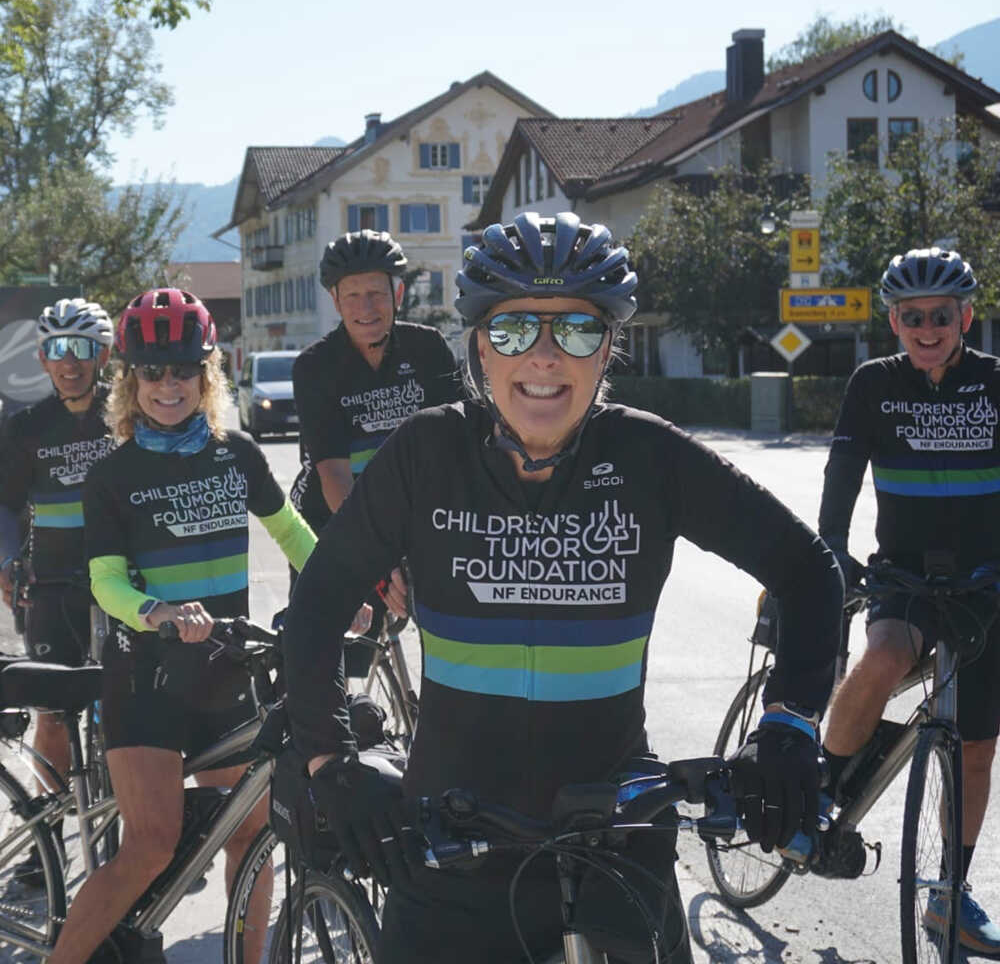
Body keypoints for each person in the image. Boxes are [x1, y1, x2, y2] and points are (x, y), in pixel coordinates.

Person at [282, 212, 844, 964]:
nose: (544, 357)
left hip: (618, 837)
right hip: (450, 845)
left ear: (609, 346)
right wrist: (329, 760)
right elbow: (318, 601)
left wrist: (790, 726)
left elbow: (808, 572)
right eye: (515, 332)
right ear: (479, 346)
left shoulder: (649, 455)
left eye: (576, 332)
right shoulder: (427, 453)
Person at [46, 289, 318, 964]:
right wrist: (156, 611)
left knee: (251, 839)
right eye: (152, 371)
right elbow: (105, 580)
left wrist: (347, 589)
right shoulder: (114, 473)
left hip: (229, 673)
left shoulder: (239, 454)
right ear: (130, 380)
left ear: (207, 375)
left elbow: (294, 534)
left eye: (183, 370)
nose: (169, 385)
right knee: (153, 844)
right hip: (147, 680)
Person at [816, 246, 1000, 954]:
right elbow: (841, 474)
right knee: (888, 650)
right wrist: (832, 549)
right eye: (912, 316)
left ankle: (949, 897)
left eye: (941, 316)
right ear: (893, 321)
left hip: (986, 584)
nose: (928, 327)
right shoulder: (873, 384)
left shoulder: (995, 385)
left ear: (966, 317)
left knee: (978, 751)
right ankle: (825, 787)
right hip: (905, 575)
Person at [288, 229, 461, 642]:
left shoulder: (429, 349)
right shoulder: (315, 367)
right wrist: (376, 560)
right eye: (352, 296)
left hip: (409, 511)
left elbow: (458, 450)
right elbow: (334, 477)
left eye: (377, 293)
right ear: (335, 301)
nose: (366, 308)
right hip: (330, 518)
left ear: (398, 294)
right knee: (320, 653)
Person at [0, 298, 114, 881]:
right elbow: (7, 506)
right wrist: (4, 564)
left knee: (127, 709)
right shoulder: (25, 428)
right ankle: (48, 838)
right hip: (51, 586)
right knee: (52, 714)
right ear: (43, 359)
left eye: (83, 349)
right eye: (59, 350)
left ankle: (136, 830)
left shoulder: (129, 415)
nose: (71, 363)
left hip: (121, 585)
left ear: (103, 354)